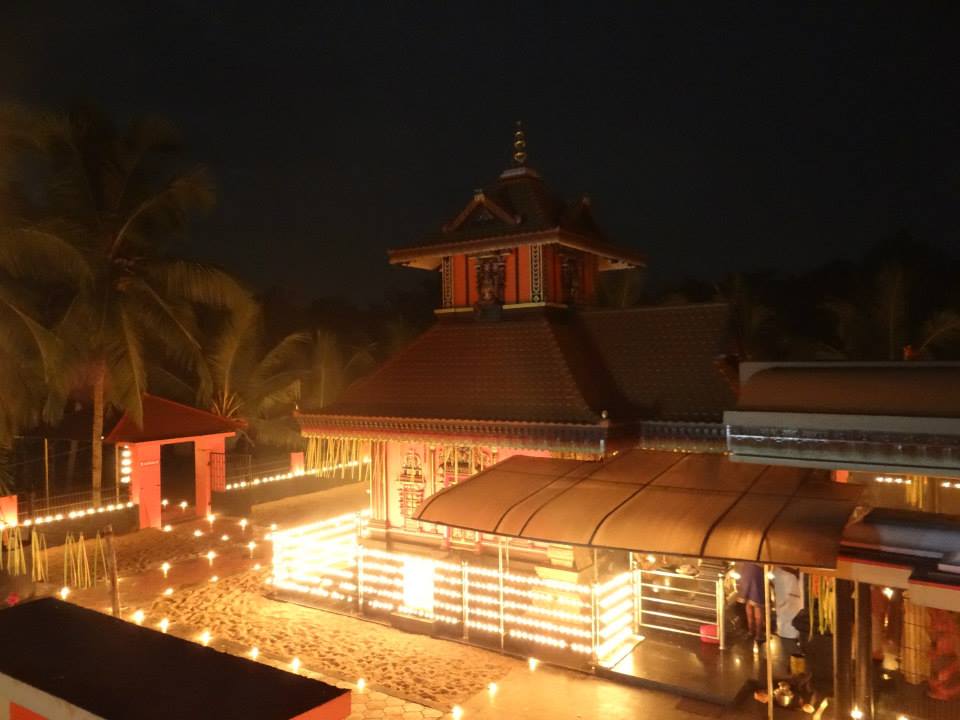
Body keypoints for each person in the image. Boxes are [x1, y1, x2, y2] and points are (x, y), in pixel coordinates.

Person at [736, 562, 765, 642]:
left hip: (746, 570)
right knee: (757, 605)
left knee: (749, 603)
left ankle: (751, 631)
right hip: (756, 572)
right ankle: (758, 635)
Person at [773, 567, 803, 639]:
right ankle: (786, 632)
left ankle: (790, 632)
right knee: (784, 609)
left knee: (790, 609)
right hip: (785, 581)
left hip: (791, 586)